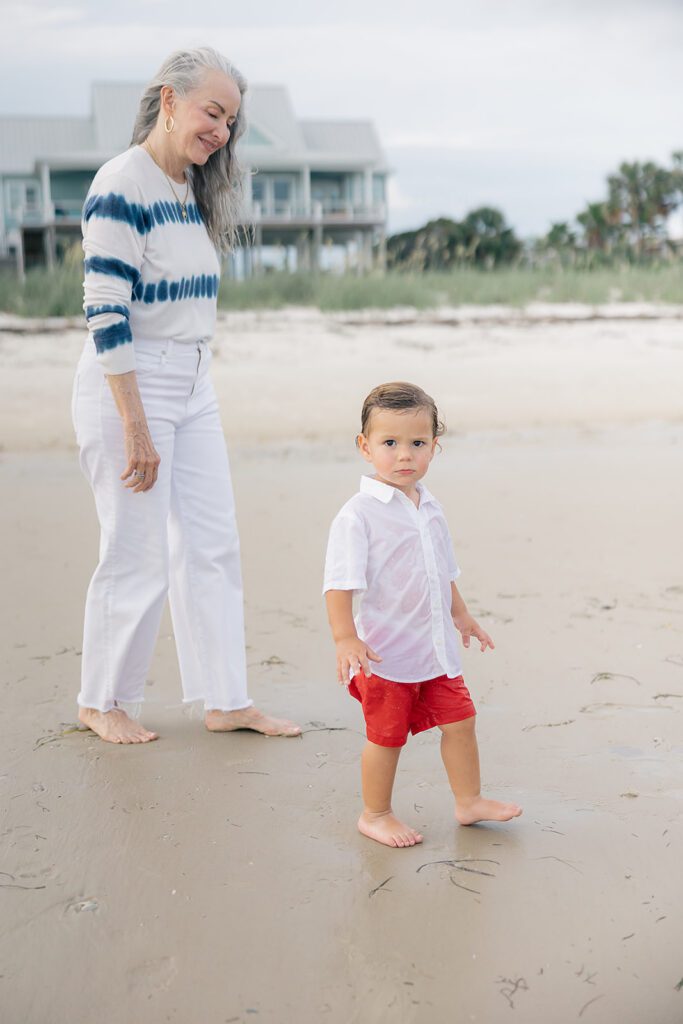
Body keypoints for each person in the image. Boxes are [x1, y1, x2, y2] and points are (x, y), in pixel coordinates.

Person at [72, 47, 300, 743]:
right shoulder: (123, 181)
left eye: (230, 121)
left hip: (195, 382)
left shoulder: (187, 190)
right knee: (135, 550)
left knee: (212, 544)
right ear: (169, 101)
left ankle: (226, 699)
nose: (222, 132)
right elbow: (105, 308)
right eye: (213, 113)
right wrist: (135, 424)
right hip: (130, 384)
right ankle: (102, 701)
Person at [323, 382, 522, 847]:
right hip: (387, 656)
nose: (404, 455)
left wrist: (462, 614)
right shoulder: (358, 515)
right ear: (365, 447)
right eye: (390, 443)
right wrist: (344, 637)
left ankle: (469, 800)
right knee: (386, 737)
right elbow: (339, 583)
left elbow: (442, 571)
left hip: (436, 649)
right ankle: (375, 813)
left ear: (435, 446)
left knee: (462, 722)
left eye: (417, 443)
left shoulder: (430, 507)